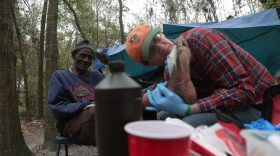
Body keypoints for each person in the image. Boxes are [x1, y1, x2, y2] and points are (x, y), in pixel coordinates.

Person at [125, 24, 276, 127]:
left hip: (263, 106)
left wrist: (190, 109)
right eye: (152, 51)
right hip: (229, 107)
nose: (162, 47)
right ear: (149, 64)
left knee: (186, 125)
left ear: (161, 34)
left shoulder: (200, 39)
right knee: (161, 118)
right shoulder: (169, 72)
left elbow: (245, 91)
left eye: (157, 39)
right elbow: (189, 98)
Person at [48, 40, 104, 145]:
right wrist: (86, 104)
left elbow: (111, 93)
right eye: (82, 56)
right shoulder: (60, 76)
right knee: (96, 111)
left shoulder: (97, 77)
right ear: (73, 56)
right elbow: (57, 107)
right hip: (70, 123)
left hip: (97, 120)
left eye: (90, 58)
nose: (86, 60)